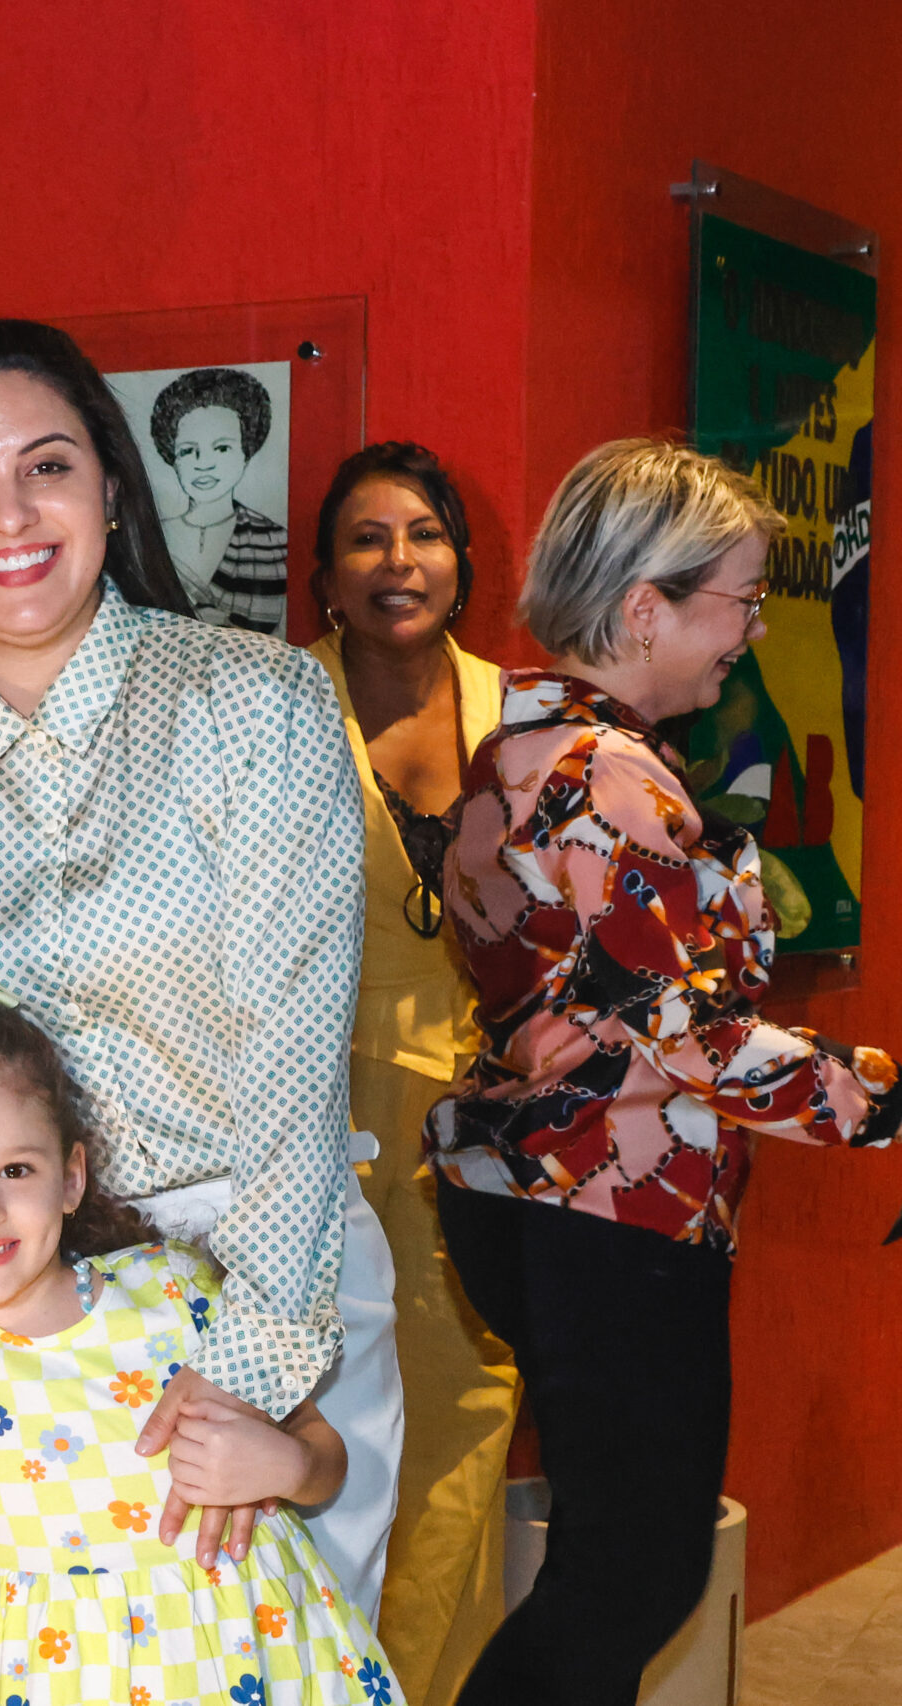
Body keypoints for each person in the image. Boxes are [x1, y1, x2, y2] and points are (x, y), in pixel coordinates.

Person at [0, 318, 404, 1629]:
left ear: (110, 485)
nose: (9, 514)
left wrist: (244, 1373)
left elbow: (292, 1064)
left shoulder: (254, 703)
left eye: (46, 465)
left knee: (280, 1663)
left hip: (251, 1269)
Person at [431, 437, 899, 1705]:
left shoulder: (523, 744)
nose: (751, 630)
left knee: (616, 1562)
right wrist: (877, 1099)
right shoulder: (607, 775)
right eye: (740, 599)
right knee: (633, 1572)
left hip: (542, 1191)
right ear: (646, 608)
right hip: (608, 1206)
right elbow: (684, 1028)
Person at [0, 997, 394, 1706]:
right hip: (54, 1680)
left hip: (251, 1658)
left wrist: (289, 1466)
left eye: (15, 1170)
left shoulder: (178, 1288)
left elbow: (322, 1454)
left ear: (71, 1177)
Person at [303, 444, 515, 1705]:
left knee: (465, 1408)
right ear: (324, 576)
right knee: (316, 1416)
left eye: (424, 533)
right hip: (313, 1105)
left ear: (461, 562)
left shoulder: (525, 711)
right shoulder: (277, 706)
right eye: (366, 538)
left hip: (487, 1111)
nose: (398, 561)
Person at [153, 367, 289, 635]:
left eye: (222, 448)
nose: (204, 464)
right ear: (172, 457)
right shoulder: (148, 538)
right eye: (188, 451)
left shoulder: (275, 541)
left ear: (246, 453)